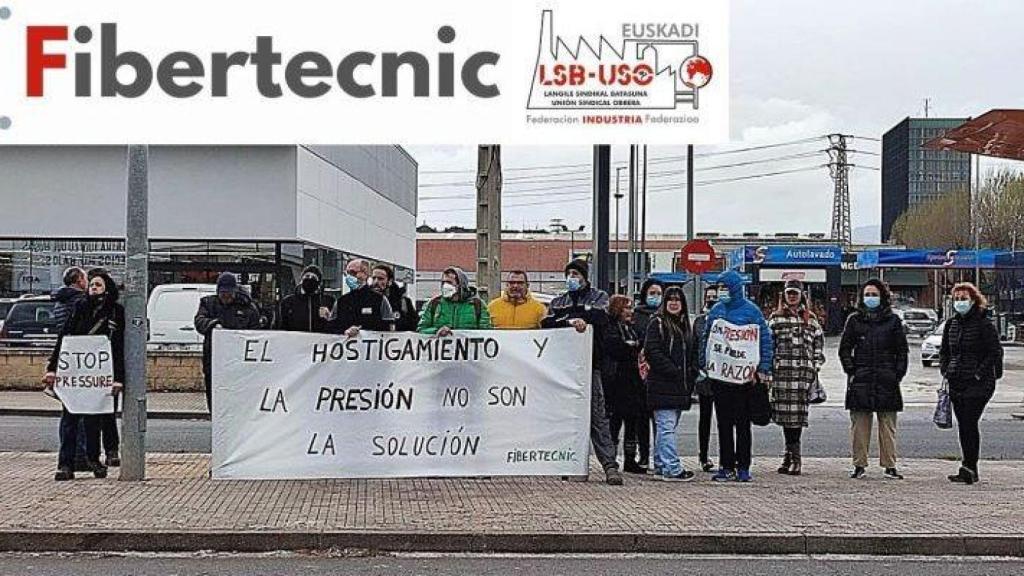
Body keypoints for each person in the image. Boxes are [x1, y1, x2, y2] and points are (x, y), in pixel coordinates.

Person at [541, 259, 623, 486]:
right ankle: (568, 462)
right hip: (564, 368)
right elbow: (548, 323)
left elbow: (601, 317)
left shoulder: (599, 297)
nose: (572, 278)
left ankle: (609, 465)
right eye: (569, 274)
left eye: (576, 274)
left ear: (585, 277)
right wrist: (571, 320)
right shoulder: (559, 300)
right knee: (567, 417)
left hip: (591, 367)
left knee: (598, 417)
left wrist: (580, 315)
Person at [44, 270, 124, 481]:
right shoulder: (79, 308)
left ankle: (93, 459)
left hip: (99, 375)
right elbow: (65, 339)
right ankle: (65, 464)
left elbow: (118, 348)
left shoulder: (115, 312)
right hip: (76, 374)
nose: (94, 288)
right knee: (70, 419)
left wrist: (119, 378)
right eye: (92, 284)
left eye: (98, 284)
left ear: (107, 287)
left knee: (93, 422)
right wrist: (53, 368)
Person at [698, 270, 773, 483]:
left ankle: (744, 466)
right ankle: (726, 465)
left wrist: (763, 368)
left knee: (742, 423)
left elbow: (764, 340)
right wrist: (705, 364)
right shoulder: (716, 311)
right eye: (719, 288)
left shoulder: (752, 312)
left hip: (744, 378)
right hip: (721, 377)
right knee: (723, 423)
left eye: (725, 288)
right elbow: (707, 339)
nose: (722, 292)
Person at [839, 279, 909, 480]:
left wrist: (897, 373)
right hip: (861, 378)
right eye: (867, 294)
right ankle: (859, 464)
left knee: (887, 425)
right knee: (859, 425)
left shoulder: (893, 321)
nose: (871, 298)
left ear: (883, 297)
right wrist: (851, 370)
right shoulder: (854, 320)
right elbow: (844, 348)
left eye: (874, 294)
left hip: (886, 379)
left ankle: (890, 465)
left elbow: (902, 351)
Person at [940, 282, 1002, 485]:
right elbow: (945, 352)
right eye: (957, 299)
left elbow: (994, 353)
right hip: (957, 380)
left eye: (964, 299)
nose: (960, 303)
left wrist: (978, 374)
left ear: (974, 300)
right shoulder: (952, 324)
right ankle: (967, 466)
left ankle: (970, 467)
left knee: (969, 422)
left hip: (978, 383)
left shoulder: (984, 324)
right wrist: (946, 370)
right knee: (964, 425)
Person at [768, 280, 825, 476]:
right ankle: (788, 455)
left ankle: (796, 459)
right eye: (789, 293)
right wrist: (768, 370)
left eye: (795, 293)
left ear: (802, 295)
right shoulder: (775, 319)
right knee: (785, 418)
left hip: (802, 376)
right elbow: (768, 346)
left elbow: (819, 344)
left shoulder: (811, 319)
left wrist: (815, 365)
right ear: (783, 295)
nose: (792, 296)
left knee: (797, 419)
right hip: (782, 375)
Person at [643, 286, 697, 482]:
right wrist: (674, 370)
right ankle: (672, 468)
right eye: (670, 300)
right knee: (666, 428)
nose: (674, 303)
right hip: (662, 384)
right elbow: (652, 351)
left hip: (679, 386)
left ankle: (660, 465)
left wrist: (690, 373)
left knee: (667, 428)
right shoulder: (656, 323)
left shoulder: (684, 326)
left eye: (678, 300)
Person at [194, 273, 262, 411]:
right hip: (213, 360)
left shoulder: (247, 308)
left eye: (228, 294)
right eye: (222, 293)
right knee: (214, 394)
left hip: (238, 361)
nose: (225, 297)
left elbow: (256, 332)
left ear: (234, 292)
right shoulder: (208, 303)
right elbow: (199, 321)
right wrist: (213, 324)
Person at [602, 295, 649, 474]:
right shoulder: (611, 328)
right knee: (614, 423)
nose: (630, 311)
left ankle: (630, 459)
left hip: (633, 381)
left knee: (632, 423)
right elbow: (617, 349)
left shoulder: (631, 329)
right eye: (626, 308)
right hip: (616, 382)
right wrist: (631, 348)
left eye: (631, 308)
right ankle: (610, 459)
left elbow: (637, 349)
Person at [691, 285, 719, 473]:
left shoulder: (727, 320)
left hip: (724, 376)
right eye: (708, 298)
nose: (711, 301)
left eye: (714, 298)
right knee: (705, 418)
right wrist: (696, 371)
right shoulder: (700, 322)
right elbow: (694, 346)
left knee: (727, 418)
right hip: (705, 376)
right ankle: (703, 455)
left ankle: (727, 456)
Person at [417, 267, 492, 334]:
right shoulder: (434, 303)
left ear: (461, 284)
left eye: (449, 282)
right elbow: (421, 329)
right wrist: (436, 331)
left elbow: (486, 332)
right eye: (443, 282)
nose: (445, 286)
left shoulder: (477, 304)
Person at [330, 259, 394, 337]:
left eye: (354, 273)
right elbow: (330, 329)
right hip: (347, 348)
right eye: (347, 273)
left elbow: (389, 330)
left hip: (373, 347)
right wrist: (345, 332)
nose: (350, 276)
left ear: (365, 274)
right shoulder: (341, 301)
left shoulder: (380, 300)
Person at [275, 265, 335, 333]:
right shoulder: (288, 302)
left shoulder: (328, 301)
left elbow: (335, 326)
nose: (310, 279)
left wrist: (329, 317)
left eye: (313, 278)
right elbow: (280, 325)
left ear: (318, 283)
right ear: (301, 280)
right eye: (307, 276)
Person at [371, 264, 419, 332]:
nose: (375, 282)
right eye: (373, 278)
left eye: (380, 279)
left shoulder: (404, 303)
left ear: (390, 281)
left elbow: (415, 326)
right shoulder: (363, 300)